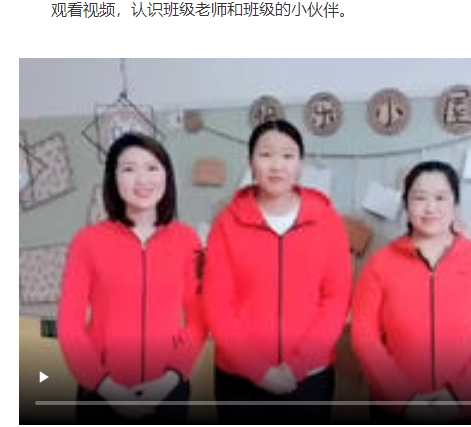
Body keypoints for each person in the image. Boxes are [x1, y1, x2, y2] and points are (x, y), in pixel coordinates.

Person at [203, 119, 353, 424]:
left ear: (300, 164)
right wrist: (258, 370)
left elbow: (336, 299)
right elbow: (217, 304)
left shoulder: (327, 220)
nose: (277, 165)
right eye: (266, 154)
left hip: (310, 376)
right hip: (240, 378)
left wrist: (299, 365)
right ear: (251, 163)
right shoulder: (227, 223)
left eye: (287, 155)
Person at [58, 133, 206, 423]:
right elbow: (69, 327)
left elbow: (199, 320)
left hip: (168, 389)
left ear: (166, 175)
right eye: (129, 169)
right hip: (101, 391)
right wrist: (107, 389)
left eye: (152, 167)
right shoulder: (87, 242)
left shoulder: (188, 240)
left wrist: (169, 380)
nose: (142, 179)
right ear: (113, 178)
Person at [352, 160, 471, 424]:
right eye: (419, 197)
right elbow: (364, 336)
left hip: (462, 408)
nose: (430, 208)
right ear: (406, 204)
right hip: (395, 408)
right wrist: (404, 399)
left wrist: (457, 395)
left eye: (440, 198)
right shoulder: (380, 264)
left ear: (455, 204)